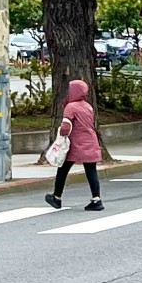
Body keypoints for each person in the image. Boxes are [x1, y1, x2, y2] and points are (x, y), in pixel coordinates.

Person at [45, 80, 104, 211]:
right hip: (91, 141)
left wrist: (61, 133)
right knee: (91, 170)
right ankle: (96, 199)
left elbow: (65, 127)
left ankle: (57, 197)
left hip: (76, 144)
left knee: (63, 169)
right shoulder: (88, 106)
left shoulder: (71, 107)